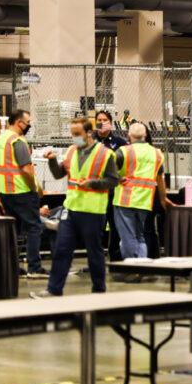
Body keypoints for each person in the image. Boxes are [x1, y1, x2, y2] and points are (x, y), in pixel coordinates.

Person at [32, 117, 119, 298]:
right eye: (72, 134)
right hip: (71, 210)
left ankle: (99, 290)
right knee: (62, 250)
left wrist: (93, 184)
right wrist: (52, 160)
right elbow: (58, 174)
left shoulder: (105, 154)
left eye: (77, 134)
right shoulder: (71, 151)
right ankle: (53, 289)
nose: (74, 138)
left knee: (94, 253)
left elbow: (113, 180)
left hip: (93, 211)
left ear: (89, 133)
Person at [0, 109, 46, 277]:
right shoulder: (18, 141)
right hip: (21, 190)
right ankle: (34, 268)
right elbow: (27, 170)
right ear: (19, 123)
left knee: (13, 230)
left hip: (4, 191)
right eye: (28, 122)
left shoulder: (0, 139)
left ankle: (12, 268)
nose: (29, 125)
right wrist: (36, 189)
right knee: (34, 227)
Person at [112, 122, 172, 263]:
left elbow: (106, 169)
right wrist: (163, 199)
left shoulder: (123, 151)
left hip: (125, 201)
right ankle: (142, 266)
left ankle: (133, 269)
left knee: (128, 238)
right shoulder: (156, 154)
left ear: (129, 136)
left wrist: (118, 178)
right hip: (145, 202)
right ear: (145, 135)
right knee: (140, 237)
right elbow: (160, 179)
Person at [94, 110, 128, 261]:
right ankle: (96, 259)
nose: (101, 122)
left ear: (111, 123)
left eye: (105, 119)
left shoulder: (120, 142)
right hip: (94, 191)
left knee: (114, 225)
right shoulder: (89, 140)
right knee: (96, 227)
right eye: (99, 120)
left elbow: (127, 163)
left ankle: (115, 257)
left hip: (113, 191)